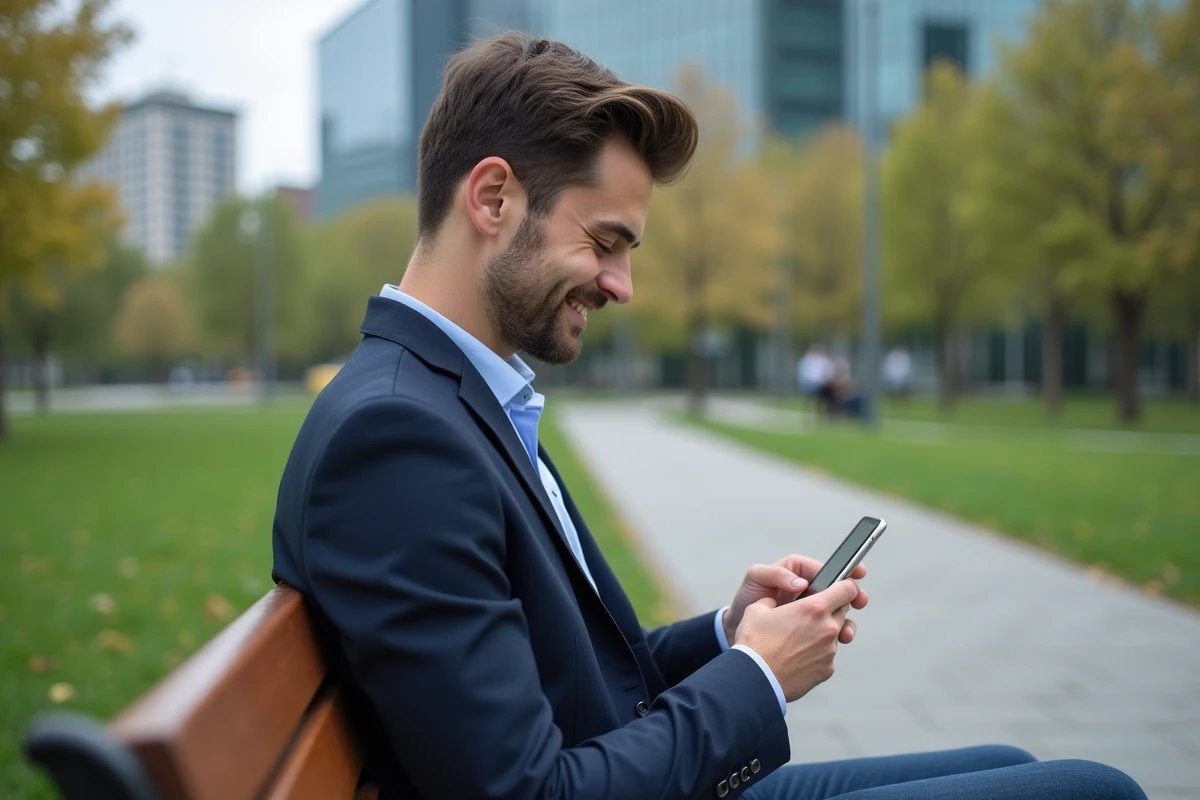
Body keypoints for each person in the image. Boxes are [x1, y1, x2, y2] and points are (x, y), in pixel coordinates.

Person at [270, 33, 1146, 800]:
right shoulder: (397, 440)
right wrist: (759, 679)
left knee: (1012, 758)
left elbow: (583, 687)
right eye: (606, 241)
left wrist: (728, 635)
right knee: (1092, 790)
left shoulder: (449, 400)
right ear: (493, 199)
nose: (622, 285)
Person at [797, 345, 835, 416]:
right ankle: (808, 413)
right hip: (810, 382)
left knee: (823, 399)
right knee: (809, 398)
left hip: (822, 383)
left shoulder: (824, 361)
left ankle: (822, 413)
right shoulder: (807, 360)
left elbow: (828, 373)